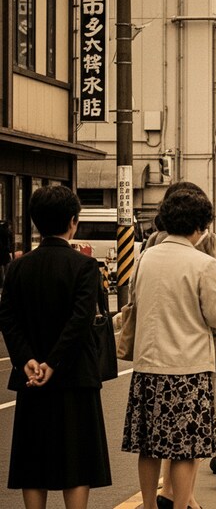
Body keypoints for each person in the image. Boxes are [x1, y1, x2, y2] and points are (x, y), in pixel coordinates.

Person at [122, 190, 216, 508]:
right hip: (188, 367)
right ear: (201, 226)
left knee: (149, 445)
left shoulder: (146, 257)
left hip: (148, 365)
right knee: (186, 447)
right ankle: (180, 505)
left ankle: (149, 505)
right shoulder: (202, 263)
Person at [0, 186, 111, 509]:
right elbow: (79, 322)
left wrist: (28, 361)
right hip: (74, 376)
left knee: (32, 459)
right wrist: (54, 362)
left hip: (31, 379)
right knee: (76, 460)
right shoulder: (84, 266)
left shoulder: (19, 266)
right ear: (73, 222)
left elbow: (7, 317)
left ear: (35, 223)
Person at [142, 181, 216, 509]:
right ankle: (185, 498)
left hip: (153, 350)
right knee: (190, 434)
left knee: (156, 434)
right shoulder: (205, 244)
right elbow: (215, 303)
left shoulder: (150, 246)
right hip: (193, 347)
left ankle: (166, 495)